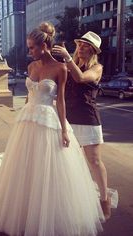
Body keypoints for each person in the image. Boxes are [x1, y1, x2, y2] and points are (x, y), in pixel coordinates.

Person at [0, 23, 104, 236]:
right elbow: (30, 95)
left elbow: (63, 98)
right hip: (29, 118)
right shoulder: (31, 67)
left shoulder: (63, 67)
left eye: (32, 48)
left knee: (62, 164)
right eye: (28, 48)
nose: (29, 52)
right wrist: (23, 114)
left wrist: (64, 130)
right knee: (26, 163)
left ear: (44, 46)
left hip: (56, 117)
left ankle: (103, 200)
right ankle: (26, 207)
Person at [52, 31, 117, 220]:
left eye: (86, 46)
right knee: (72, 160)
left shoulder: (97, 68)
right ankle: (75, 196)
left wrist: (66, 58)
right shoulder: (67, 64)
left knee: (94, 161)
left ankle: (104, 200)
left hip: (88, 119)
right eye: (80, 44)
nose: (81, 48)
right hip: (68, 119)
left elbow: (80, 78)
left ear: (93, 51)